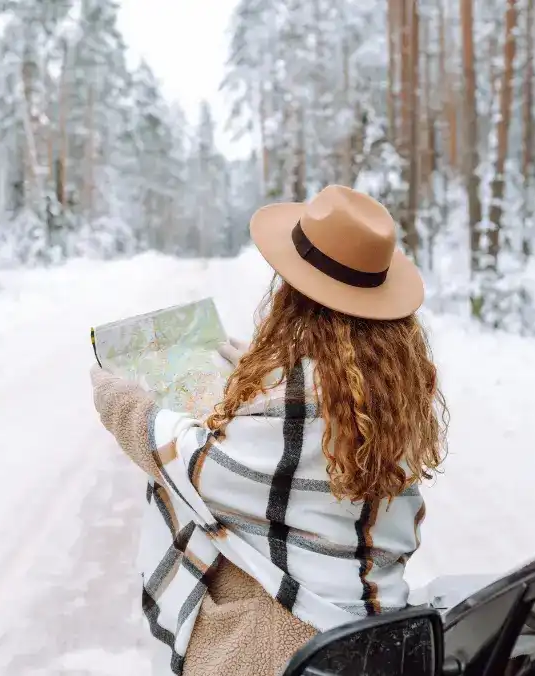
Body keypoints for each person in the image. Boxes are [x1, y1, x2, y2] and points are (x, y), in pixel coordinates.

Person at [90, 184, 450, 676]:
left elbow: (198, 468)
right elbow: (308, 431)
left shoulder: (299, 402)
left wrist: (122, 402)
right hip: (376, 628)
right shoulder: (393, 393)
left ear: (297, 298)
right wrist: (261, 380)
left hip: (302, 643)